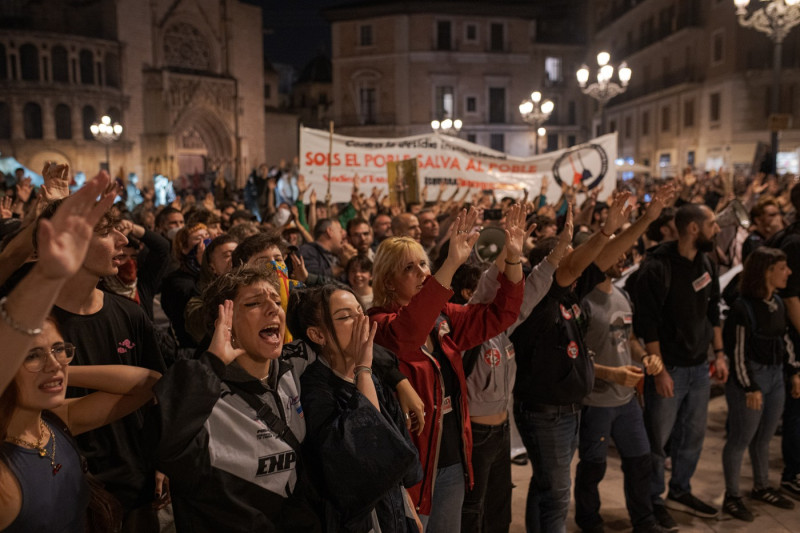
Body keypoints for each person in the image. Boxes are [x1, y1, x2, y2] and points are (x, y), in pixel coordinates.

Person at [511, 187, 672, 533]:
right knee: (557, 494)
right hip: (545, 409)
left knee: (547, 486)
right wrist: (602, 231)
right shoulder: (537, 299)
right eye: (569, 255)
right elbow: (579, 261)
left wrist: (644, 220)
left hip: (566, 407)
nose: (577, 261)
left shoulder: (568, 294)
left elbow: (603, 259)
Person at [369, 206, 526, 531]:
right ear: (388, 281)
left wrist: (512, 259)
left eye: (424, 263)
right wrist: (451, 263)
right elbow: (408, 335)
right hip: (410, 466)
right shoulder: (378, 323)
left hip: (452, 457)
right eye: (409, 268)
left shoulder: (444, 318)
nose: (423, 273)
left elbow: (502, 315)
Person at [153, 267, 321, 533]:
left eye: (277, 302)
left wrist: (396, 378)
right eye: (254, 303)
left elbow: (347, 336)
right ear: (226, 324)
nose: (272, 309)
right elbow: (167, 449)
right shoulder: (201, 390)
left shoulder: (291, 367)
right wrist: (214, 362)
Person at [458, 206, 573, 533]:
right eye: (503, 288)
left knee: (498, 510)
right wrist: (506, 256)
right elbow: (486, 290)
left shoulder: (503, 330)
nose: (511, 293)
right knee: (472, 512)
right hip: (476, 435)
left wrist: (557, 252)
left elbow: (532, 290)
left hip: (501, 430)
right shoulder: (467, 330)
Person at [0, 317, 161, 532]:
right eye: (32, 355)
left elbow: (149, 384)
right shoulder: (6, 466)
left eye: (58, 349)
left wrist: (59, 373)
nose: (55, 363)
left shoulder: (54, 421)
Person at [288, 285, 423, 531]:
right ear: (318, 335)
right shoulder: (315, 388)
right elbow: (362, 452)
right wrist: (363, 369)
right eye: (345, 316)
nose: (361, 320)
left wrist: (409, 511)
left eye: (360, 311)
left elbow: (398, 465)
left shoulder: (373, 376)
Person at [633, 203, 729, 530]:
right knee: (658, 440)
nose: (717, 229)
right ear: (693, 228)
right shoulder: (656, 267)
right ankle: (653, 499)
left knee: (693, 435)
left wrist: (719, 352)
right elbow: (648, 325)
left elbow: (712, 310)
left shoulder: (706, 261)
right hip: (669, 368)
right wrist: (658, 371)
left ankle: (680, 489)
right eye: (713, 224)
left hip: (700, 367)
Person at [575, 251, 668, 533]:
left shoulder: (622, 296)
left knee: (641, 461)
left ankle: (644, 521)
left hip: (626, 400)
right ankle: (589, 521)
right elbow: (574, 356)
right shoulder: (583, 301)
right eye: (616, 253)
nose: (623, 256)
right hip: (596, 400)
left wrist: (646, 358)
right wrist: (610, 373)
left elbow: (628, 339)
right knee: (593, 467)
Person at [721, 247, 799, 520]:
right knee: (741, 439)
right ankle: (732, 495)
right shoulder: (743, 308)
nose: (788, 272)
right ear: (767, 271)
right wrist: (750, 387)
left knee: (764, 438)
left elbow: (784, 341)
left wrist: (794, 372)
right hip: (751, 378)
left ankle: (762, 486)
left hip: (776, 376)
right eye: (782, 267)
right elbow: (738, 353)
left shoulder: (776, 302)